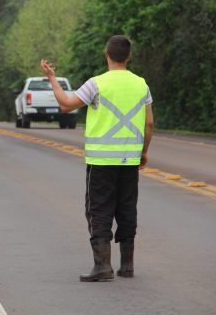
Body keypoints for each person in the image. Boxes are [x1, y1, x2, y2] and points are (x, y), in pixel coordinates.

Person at [40, 35, 154, 282]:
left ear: (107, 54)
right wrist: (143, 152)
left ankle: (102, 267)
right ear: (128, 56)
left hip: (102, 162)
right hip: (129, 161)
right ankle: (127, 266)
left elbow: (66, 105)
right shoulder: (141, 84)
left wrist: (52, 79)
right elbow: (149, 124)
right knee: (126, 209)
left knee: (99, 210)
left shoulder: (96, 84)